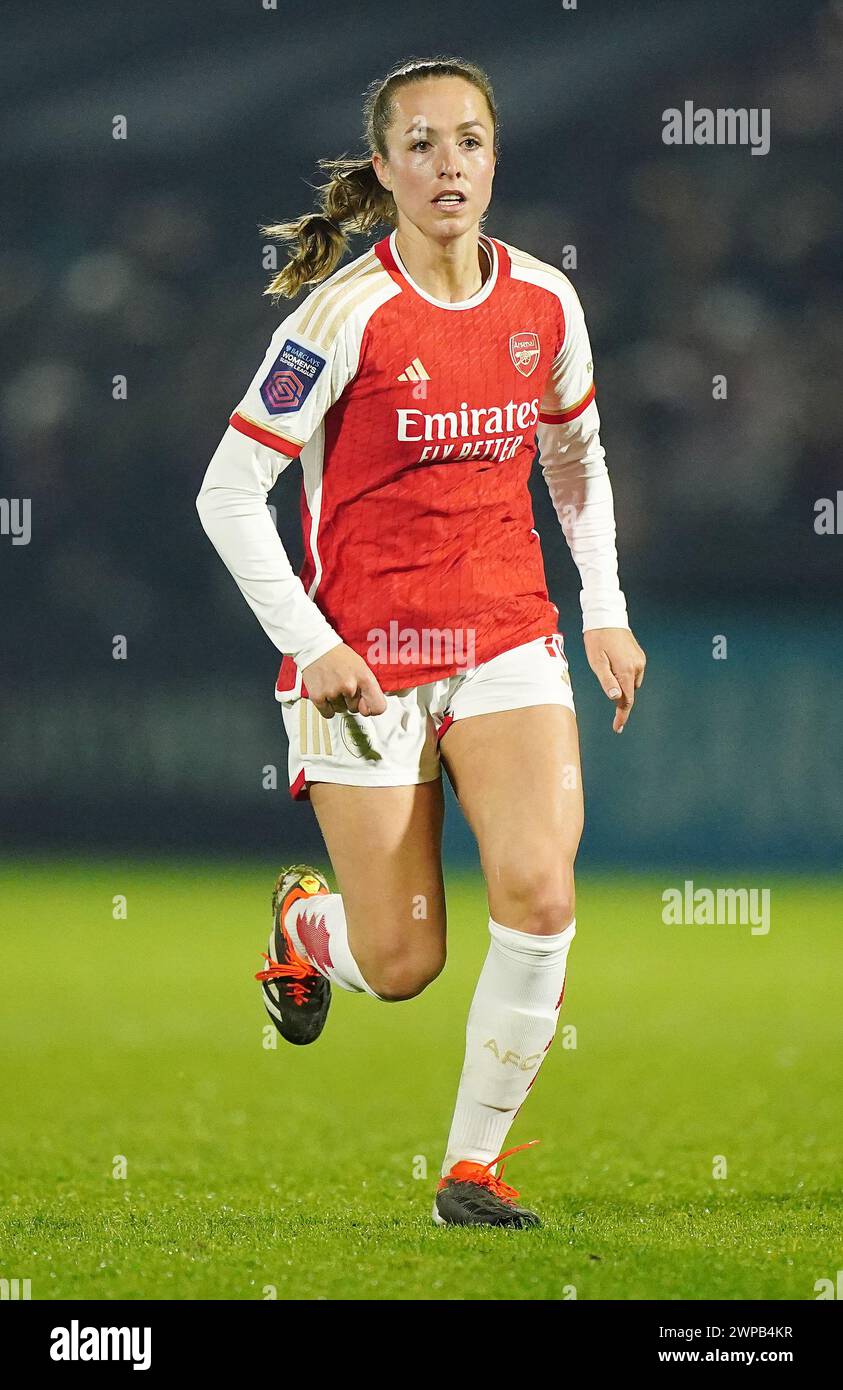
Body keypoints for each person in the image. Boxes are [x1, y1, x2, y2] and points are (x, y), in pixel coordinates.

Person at [196, 55, 646, 1229]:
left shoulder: (545, 300)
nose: (451, 164)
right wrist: (315, 637)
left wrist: (603, 607)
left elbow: (574, 457)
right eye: (424, 143)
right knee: (402, 965)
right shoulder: (344, 313)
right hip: (369, 655)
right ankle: (307, 924)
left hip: (507, 637)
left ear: (496, 161)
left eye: (472, 142)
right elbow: (229, 492)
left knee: (542, 892)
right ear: (385, 169)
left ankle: (471, 1172)